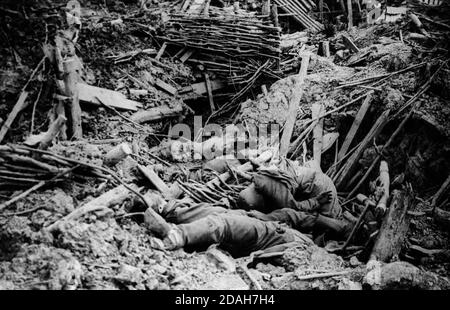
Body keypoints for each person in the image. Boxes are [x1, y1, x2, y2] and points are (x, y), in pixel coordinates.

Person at [143, 195, 350, 257]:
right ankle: (169, 211)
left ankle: (176, 235)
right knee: (216, 212)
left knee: (225, 223)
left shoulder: (308, 247)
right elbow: (292, 215)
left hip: (268, 236)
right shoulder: (302, 225)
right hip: (263, 226)